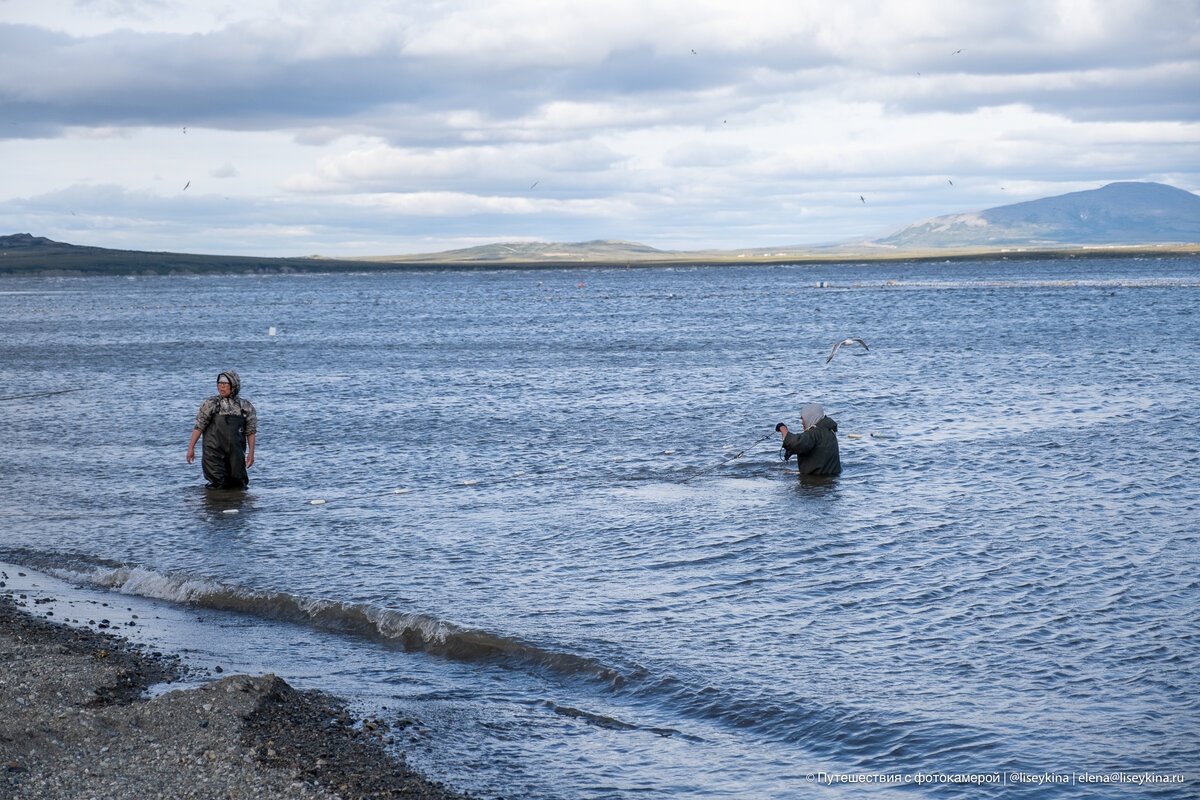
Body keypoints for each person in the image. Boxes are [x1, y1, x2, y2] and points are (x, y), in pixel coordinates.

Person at [186, 370, 257, 488]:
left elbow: (251, 431)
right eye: (219, 383)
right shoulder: (210, 404)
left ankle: (237, 500)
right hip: (213, 452)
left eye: (225, 383)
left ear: (234, 385)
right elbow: (199, 426)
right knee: (217, 484)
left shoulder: (245, 407)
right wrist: (191, 448)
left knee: (238, 483)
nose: (221, 386)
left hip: (236, 453)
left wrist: (251, 453)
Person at [776, 402, 841, 476]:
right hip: (832, 478)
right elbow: (815, 448)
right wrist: (791, 451)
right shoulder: (829, 431)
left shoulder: (814, 433)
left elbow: (796, 443)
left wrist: (783, 428)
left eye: (803, 419)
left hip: (817, 480)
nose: (802, 422)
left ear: (810, 417)